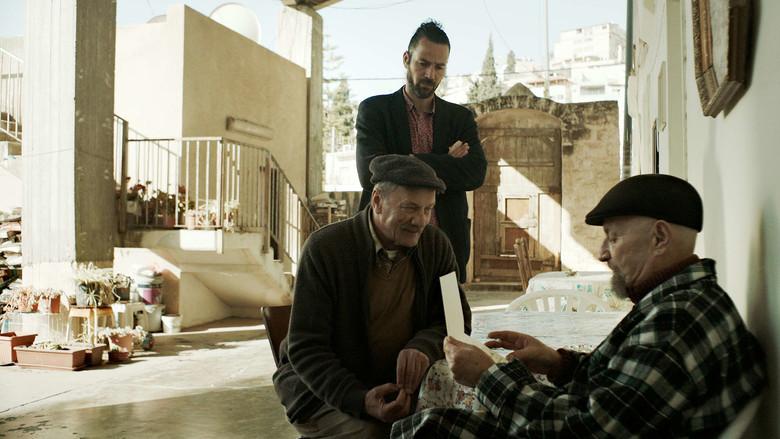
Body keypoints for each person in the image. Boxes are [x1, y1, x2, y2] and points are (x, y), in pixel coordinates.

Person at [392, 174, 767, 438]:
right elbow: (620, 388)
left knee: (434, 428)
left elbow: (584, 429)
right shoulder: (680, 301)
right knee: (435, 425)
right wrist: (557, 363)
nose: (603, 253)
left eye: (614, 238)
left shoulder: (677, 321)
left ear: (659, 237)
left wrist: (487, 377)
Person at [273, 154, 472, 438]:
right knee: (382, 434)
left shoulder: (435, 245)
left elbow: (455, 321)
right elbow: (306, 349)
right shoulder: (326, 249)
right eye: (410, 208)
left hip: (394, 386)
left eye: (428, 209)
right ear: (377, 200)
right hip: (321, 393)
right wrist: (360, 400)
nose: (420, 220)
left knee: (457, 425)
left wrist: (423, 346)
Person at [356, 20, 487, 283]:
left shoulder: (459, 118)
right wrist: (446, 162)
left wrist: (408, 161)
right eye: (423, 63)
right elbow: (370, 173)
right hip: (386, 249)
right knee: (385, 311)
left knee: (449, 311)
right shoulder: (375, 111)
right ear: (407, 59)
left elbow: (475, 173)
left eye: (439, 67)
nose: (430, 74)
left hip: (446, 251)